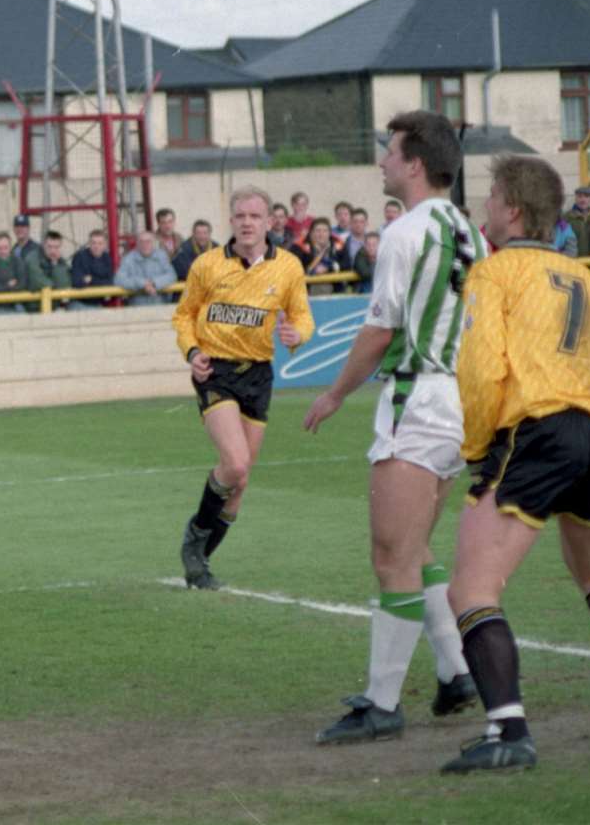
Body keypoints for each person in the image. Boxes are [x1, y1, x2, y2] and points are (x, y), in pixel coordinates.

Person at [438, 154, 590, 773]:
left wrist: (479, 451)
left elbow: (482, 369)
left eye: (490, 197)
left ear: (512, 210)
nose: (484, 206)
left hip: (538, 432)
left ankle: (508, 732)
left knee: (471, 589)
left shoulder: (494, 274)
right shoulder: (584, 278)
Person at [303, 110, 483, 745]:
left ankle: (382, 704)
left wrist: (332, 395)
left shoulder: (405, 233)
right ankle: (456, 673)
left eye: (389, 152)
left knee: (390, 558)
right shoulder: (465, 228)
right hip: (454, 400)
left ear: (413, 164)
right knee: (417, 548)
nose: (380, 161)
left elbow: (379, 331)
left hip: (418, 399)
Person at [175, 186, 313, 590]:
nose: (248, 223)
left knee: (241, 483)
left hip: (258, 376)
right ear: (231, 221)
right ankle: (195, 539)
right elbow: (184, 316)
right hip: (214, 372)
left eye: (255, 216)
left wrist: (296, 334)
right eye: (240, 216)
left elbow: (304, 317)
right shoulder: (207, 265)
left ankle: (200, 562)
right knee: (234, 464)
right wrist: (192, 351)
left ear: (270, 221)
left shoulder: (287, 267)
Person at [115, 230, 177, 305]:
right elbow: (119, 279)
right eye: (141, 242)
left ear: (153, 243)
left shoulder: (161, 256)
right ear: (137, 244)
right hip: (136, 309)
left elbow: (172, 275)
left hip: (160, 306)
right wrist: (142, 283)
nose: (145, 244)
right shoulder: (129, 258)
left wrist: (154, 283)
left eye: (148, 241)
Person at [298, 217, 346, 295]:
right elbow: (296, 268)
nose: (321, 234)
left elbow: (346, 265)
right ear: (311, 232)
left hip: (334, 294)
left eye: (325, 231)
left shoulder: (339, 247)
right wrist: (312, 270)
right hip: (308, 294)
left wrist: (329, 268)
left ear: (330, 233)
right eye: (318, 231)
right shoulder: (300, 248)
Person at [71, 228, 115, 304]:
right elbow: (77, 282)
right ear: (89, 244)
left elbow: (111, 282)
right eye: (93, 243)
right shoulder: (80, 257)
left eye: (100, 243)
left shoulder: (107, 258)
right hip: (80, 302)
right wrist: (100, 280)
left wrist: (91, 280)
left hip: (100, 302)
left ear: (105, 245)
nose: (96, 246)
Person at [27, 230, 73, 300]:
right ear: (44, 245)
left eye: (56, 247)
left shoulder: (61, 261)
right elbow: (38, 283)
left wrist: (55, 264)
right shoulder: (33, 258)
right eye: (49, 247)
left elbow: (65, 286)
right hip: (34, 306)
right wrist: (56, 287)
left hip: (55, 305)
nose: (53, 251)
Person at [566, 185, 590, 257]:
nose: (583, 200)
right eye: (580, 196)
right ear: (576, 198)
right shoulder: (567, 218)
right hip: (573, 260)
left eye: (586, 197)